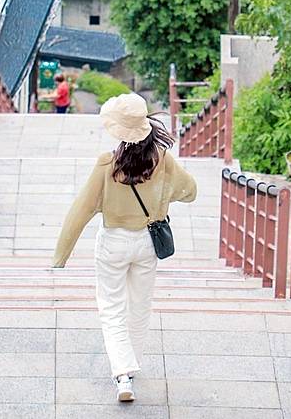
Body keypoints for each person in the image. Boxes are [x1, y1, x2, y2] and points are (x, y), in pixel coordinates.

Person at [53, 92, 197, 403]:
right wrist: (162, 196)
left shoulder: (107, 164)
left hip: (113, 243)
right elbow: (190, 191)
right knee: (140, 306)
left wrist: (61, 255)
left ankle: (123, 375)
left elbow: (81, 210)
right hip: (146, 242)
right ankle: (131, 366)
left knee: (112, 308)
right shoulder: (162, 160)